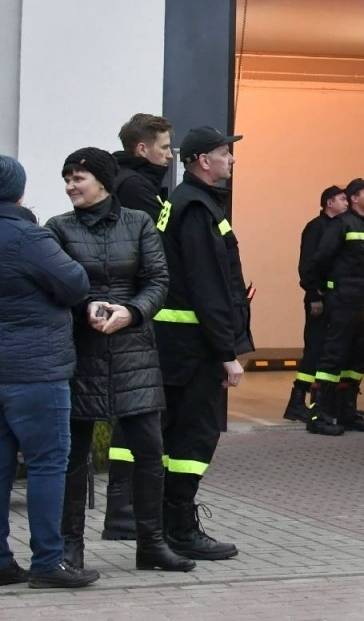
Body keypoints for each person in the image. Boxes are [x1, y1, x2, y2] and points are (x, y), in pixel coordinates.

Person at [46, 148, 193, 574]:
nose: (71, 185)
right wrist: (86, 307)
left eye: (79, 177)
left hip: (134, 353)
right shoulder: (58, 228)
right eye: (67, 178)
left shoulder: (140, 222)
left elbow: (157, 279)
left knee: (149, 451)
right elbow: (56, 284)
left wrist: (132, 312)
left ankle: (151, 544)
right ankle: (70, 548)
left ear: (104, 181)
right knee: (74, 457)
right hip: (81, 354)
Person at [154, 126, 252, 561]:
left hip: (180, 345)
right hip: (193, 349)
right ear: (201, 161)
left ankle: (167, 525)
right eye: (223, 153)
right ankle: (179, 529)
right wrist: (226, 352)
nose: (231, 160)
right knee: (193, 440)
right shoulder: (196, 208)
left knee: (177, 438)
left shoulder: (188, 202)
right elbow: (208, 286)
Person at [0, 155, 97, 590]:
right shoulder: (28, 237)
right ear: (18, 191)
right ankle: (48, 561)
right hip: (35, 372)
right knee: (46, 465)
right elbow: (75, 284)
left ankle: (1, 562)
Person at [101, 111, 175, 541]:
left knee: (133, 414)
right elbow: (152, 253)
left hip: (135, 311)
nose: (169, 155)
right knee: (134, 416)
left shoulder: (138, 183)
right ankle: (124, 511)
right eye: (164, 147)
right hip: (135, 316)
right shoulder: (134, 187)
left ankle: (124, 512)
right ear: (142, 148)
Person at [306, 178, 364, 436]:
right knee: (334, 356)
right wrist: (320, 291)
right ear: (353, 199)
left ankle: (347, 411)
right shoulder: (341, 224)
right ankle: (319, 414)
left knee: (358, 356)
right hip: (342, 302)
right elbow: (320, 260)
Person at [284, 185, 348, 423]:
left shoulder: (341, 227)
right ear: (329, 203)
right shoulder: (316, 227)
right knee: (315, 348)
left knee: (328, 351)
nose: (346, 203)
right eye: (342, 199)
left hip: (335, 299)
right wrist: (314, 296)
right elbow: (307, 265)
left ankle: (321, 402)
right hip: (319, 298)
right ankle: (297, 400)